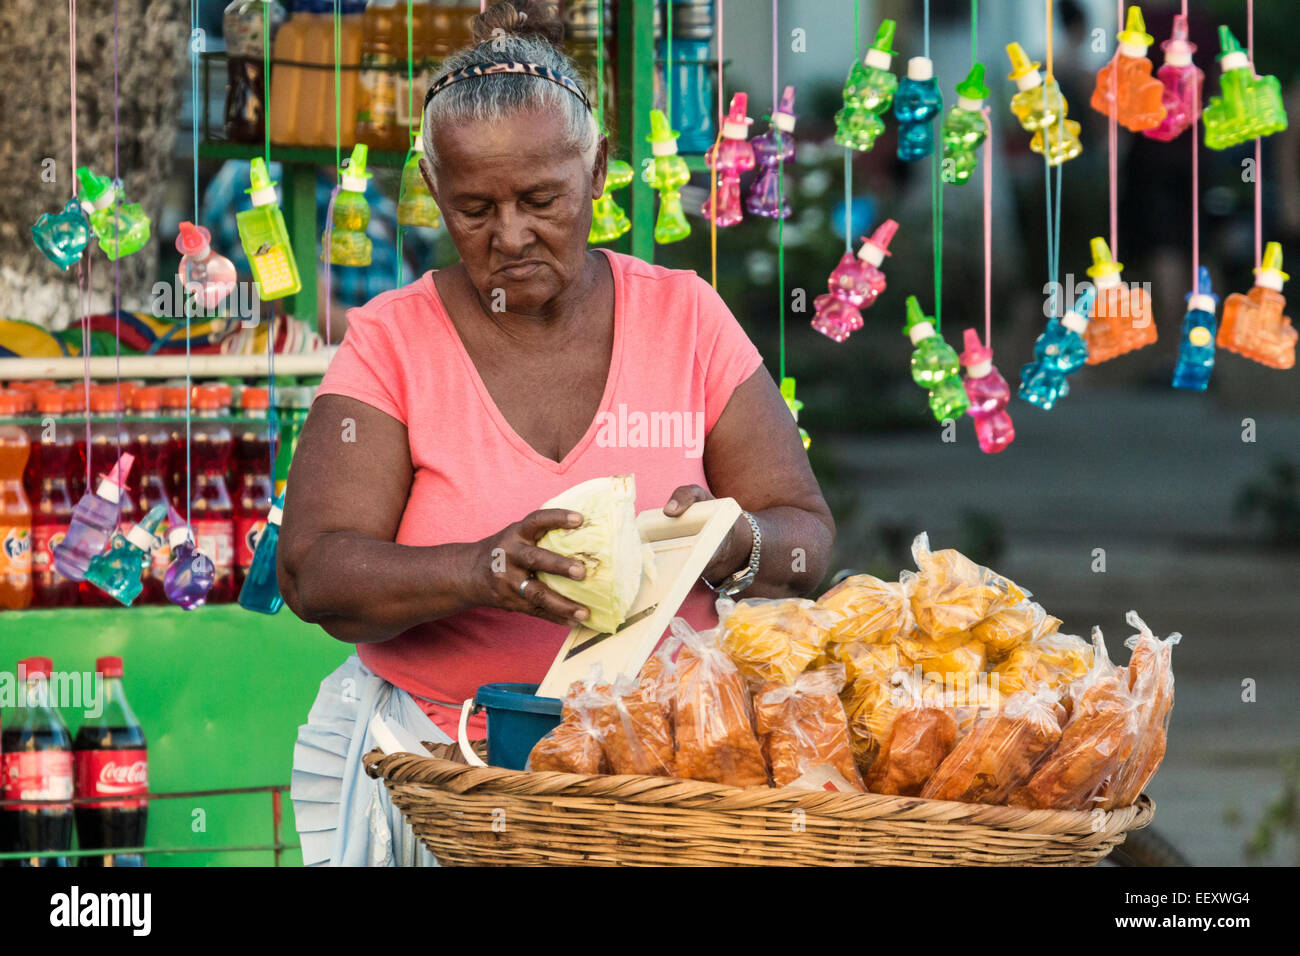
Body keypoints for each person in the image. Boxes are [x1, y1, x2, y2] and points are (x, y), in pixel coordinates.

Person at [280, 0, 834, 866]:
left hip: (661, 779)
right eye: (473, 208)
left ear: (600, 170)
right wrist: (480, 570)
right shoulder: (393, 339)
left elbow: (809, 541)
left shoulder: (685, 318)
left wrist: (739, 543)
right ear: (431, 190)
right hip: (447, 781)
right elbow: (315, 572)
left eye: (542, 198)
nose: (509, 236)